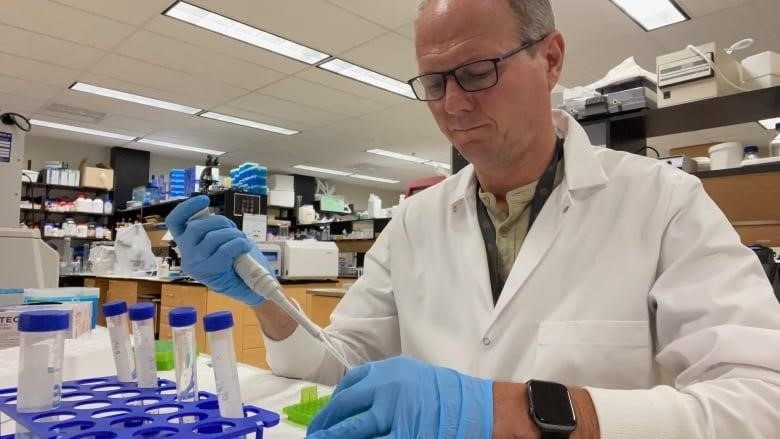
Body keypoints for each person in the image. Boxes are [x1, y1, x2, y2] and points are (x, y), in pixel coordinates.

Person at [166, 0, 780, 437]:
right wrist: (266, 298)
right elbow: (343, 367)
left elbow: (761, 402)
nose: (454, 105)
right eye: (434, 82)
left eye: (477, 72)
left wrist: (516, 414)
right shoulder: (413, 221)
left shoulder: (663, 202)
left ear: (552, 58)